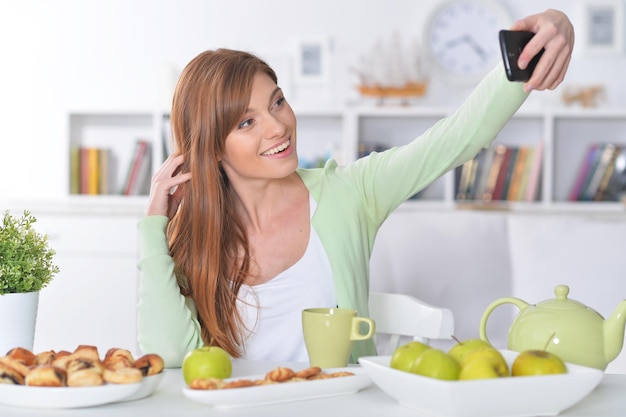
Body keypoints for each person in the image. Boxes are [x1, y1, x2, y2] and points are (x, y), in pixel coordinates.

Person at [137, 9, 575, 368]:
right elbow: (170, 354)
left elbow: (455, 139)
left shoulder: (349, 193)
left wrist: (538, 43)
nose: (278, 126)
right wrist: (153, 225)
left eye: (277, 101)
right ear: (211, 148)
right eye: (247, 122)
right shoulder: (194, 237)